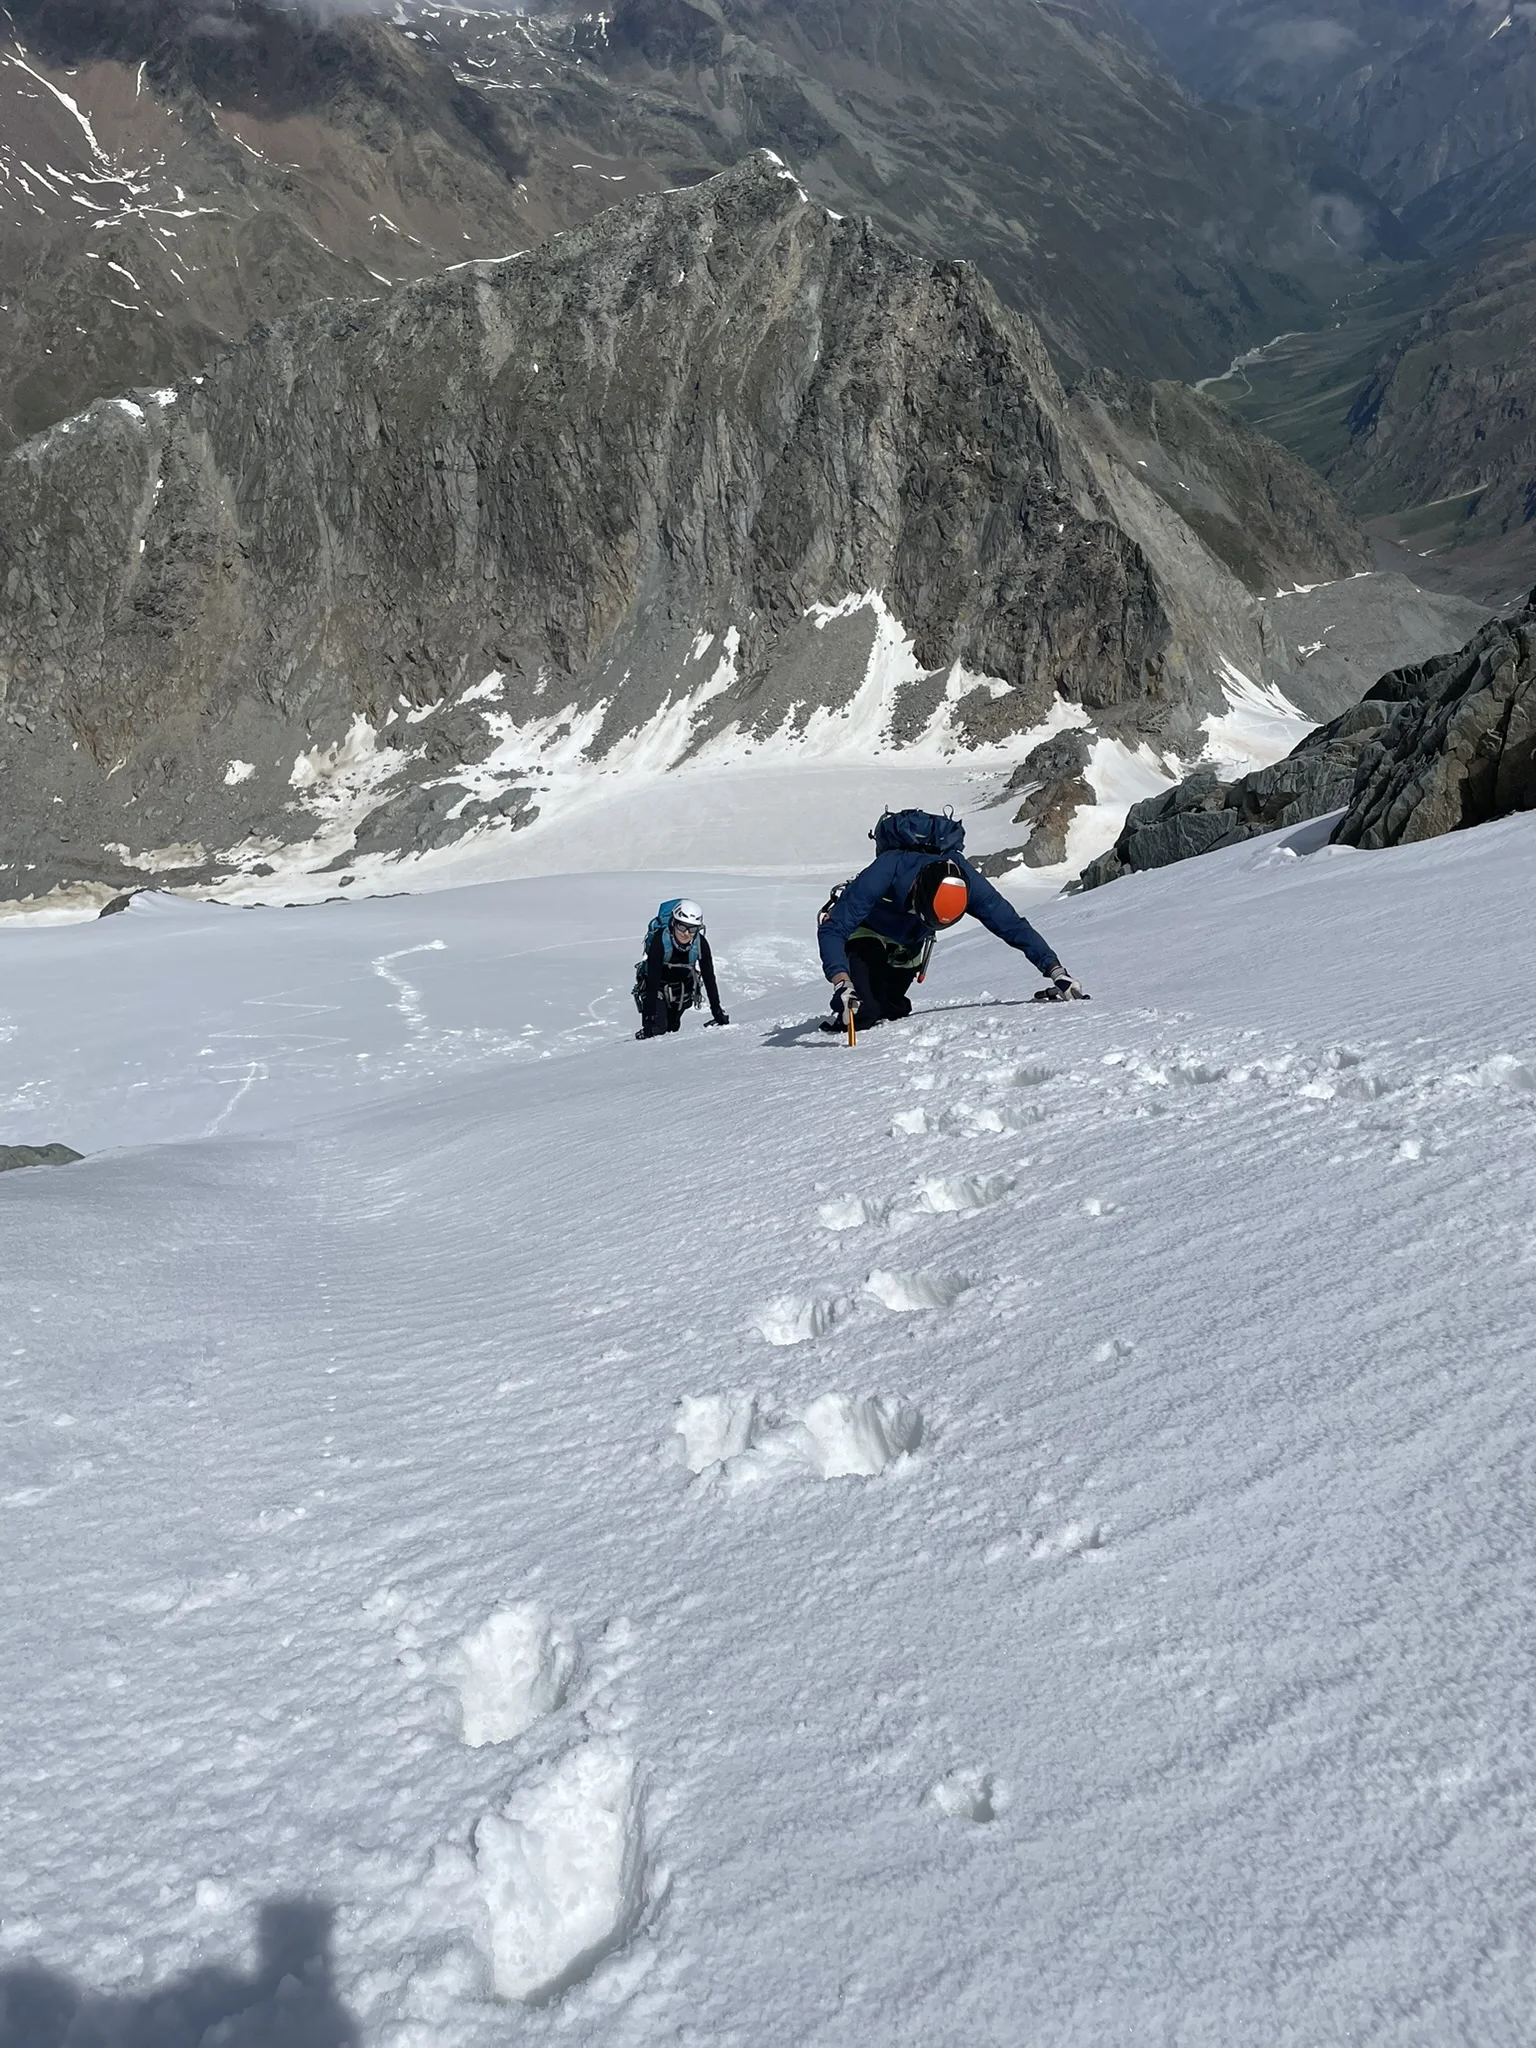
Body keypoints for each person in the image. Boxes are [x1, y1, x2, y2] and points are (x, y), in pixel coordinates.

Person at [817, 813, 1087, 1030]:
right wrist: (842, 982)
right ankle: (848, 1005)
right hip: (868, 934)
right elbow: (833, 928)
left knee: (892, 1009)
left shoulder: (966, 879)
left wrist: (1055, 970)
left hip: (909, 946)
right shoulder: (889, 868)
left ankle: (870, 999)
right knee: (864, 1012)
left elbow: (1012, 925)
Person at [634, 897, 731, 1038]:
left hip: (682, 990)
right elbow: (653, 981)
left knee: (673, 1028)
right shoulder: (660, 941)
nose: (686, 933)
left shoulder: (700, 944)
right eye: (682, 926)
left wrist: (717, 1012)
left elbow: (709, 977)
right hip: (656, 988)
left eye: (692, 929)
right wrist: (649, 1018)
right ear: (673, 923)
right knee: (658, 1029)